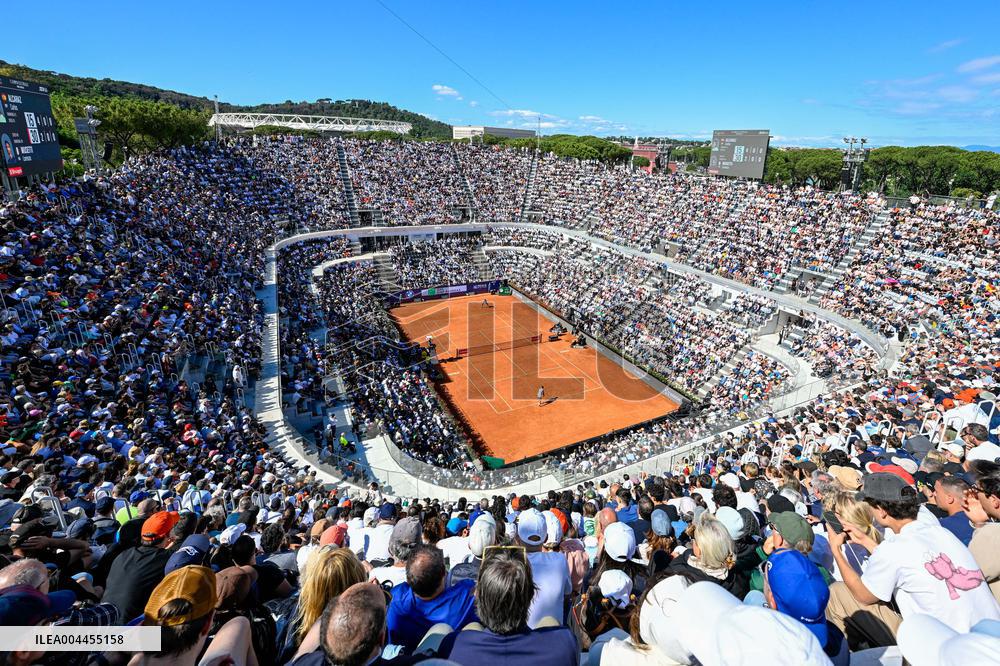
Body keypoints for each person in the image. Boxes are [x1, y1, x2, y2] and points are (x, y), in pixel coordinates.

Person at [825, 472, 1000, 648]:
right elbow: (903, 559)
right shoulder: (940, 532)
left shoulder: (893, 548)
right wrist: (866, 541)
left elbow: (863, 596)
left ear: (882, 511)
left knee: (837, 592)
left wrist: (836, 550)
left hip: (948, 648)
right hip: (989, 637)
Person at [436, 545, 579, 666]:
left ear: (478, 596)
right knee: (550, 621)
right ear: (531, 595)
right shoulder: (564, 643)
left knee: (471, 627)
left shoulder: (452, 646)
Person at [129, 565, 257, 666]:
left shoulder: (121, 642)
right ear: (208, 624)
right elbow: (240, 624)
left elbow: (118, 638)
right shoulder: (240, 625)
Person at [385, 544, 477, 652]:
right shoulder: (467, 597)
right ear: (444, 572)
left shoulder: (396, 599)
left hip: (402, 658)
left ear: (408, 578)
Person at [102, 511, 180, 623]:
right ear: (168, 535)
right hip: (132, 627)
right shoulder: (167, 558)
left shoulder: (124, 554)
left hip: (105, 619)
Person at [516, 508, 572, 628]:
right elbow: (567, 594)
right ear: (546, 537)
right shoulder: (560, 560)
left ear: (518, 537)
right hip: (553, 634)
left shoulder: (511, 563)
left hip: (520, 635)